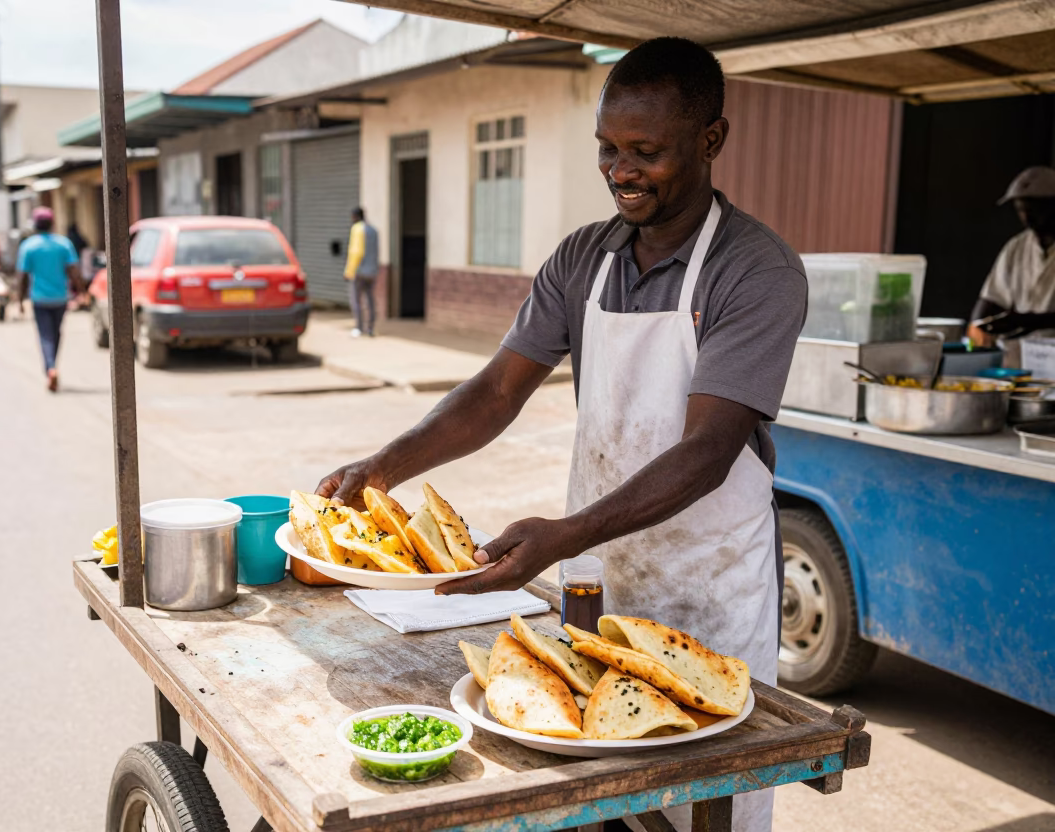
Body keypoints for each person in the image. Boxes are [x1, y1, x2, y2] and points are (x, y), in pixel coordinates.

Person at [316, 38, 805, 832]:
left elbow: (707, 452)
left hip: (708, 594)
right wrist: (384, 468)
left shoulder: (755, 271)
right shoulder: (585, 258)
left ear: (711, 140)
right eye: (608, 149)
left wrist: (564, 532)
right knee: (595, 798)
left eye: (646, 152)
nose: (621, 170)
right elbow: (497, 391)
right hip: (596, 583)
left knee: (704, 803)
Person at [968, 166, 1055, 362]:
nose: (1026, 217)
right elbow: (990, 299)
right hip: (1017, 359)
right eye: (1021, 210)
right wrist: (978, 325)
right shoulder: (1017, 247)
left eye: (1034, 210)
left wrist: (1028, 321)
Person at [17, 207, 80, 392]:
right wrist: (82, 291)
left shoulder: (28, 245)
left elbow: (22, 276)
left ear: (35, 225)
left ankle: (50, 368)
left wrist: (20, 300)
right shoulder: (63, 244)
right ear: (52, 224)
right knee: (56, 333)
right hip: (60, 297)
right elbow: (74, 271)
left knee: (45, 335)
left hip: (39, 298)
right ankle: (53, 366)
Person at [343, 207, 379, 337]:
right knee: (370, 299)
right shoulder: (374, 230)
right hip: (372, 271)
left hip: (359, 271)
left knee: (356, 300)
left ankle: (359, 327)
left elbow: (356, 252)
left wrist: (349, 271)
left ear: (355, 216)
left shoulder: (357, 229)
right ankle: (371, 328)